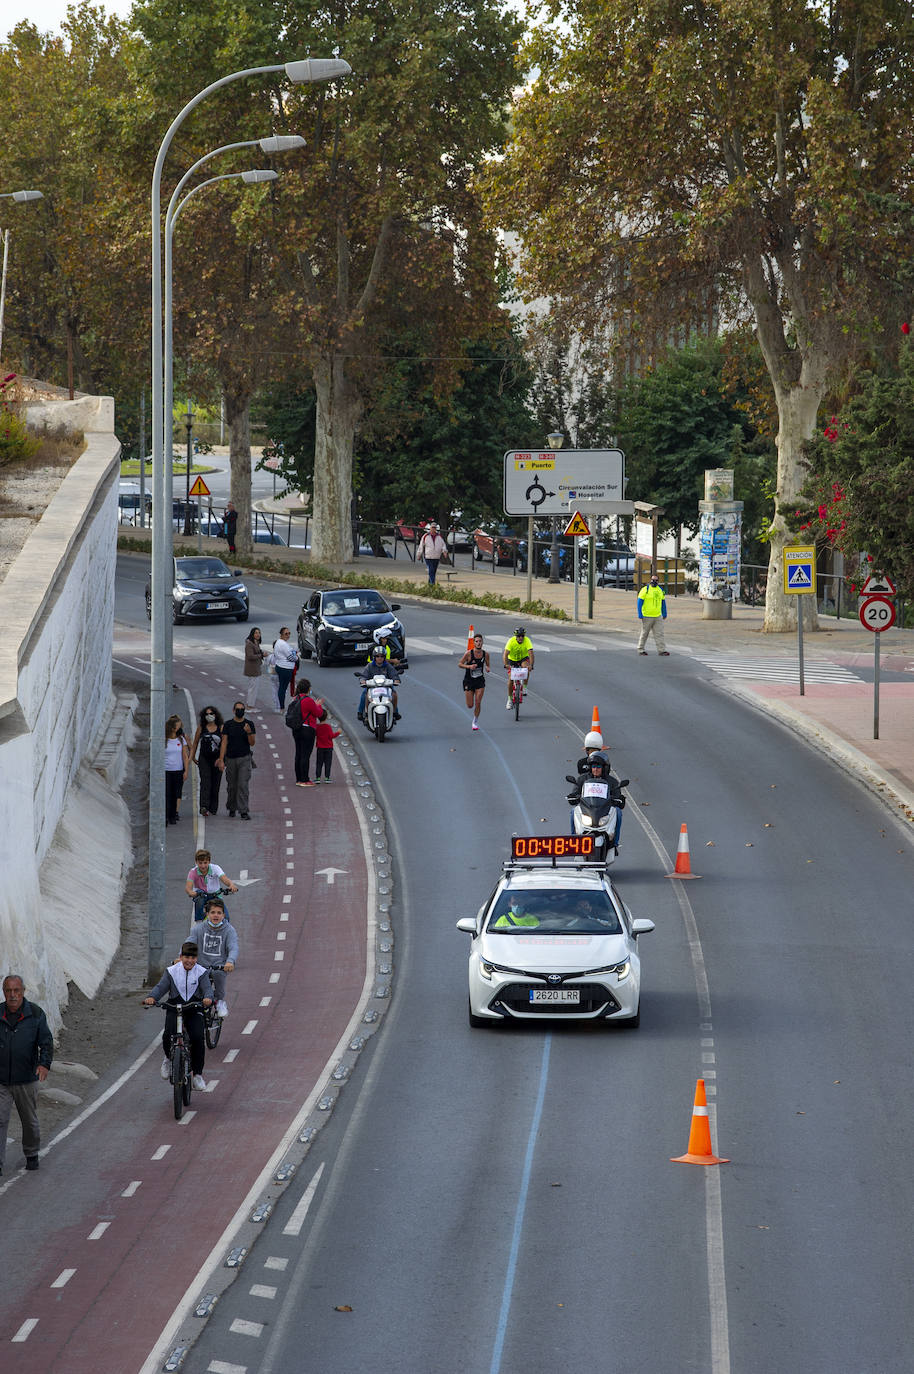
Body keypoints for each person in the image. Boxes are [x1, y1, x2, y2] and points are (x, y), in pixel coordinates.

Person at [0, 973, 53, 1174]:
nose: (12, 995)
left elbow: (46, 1041)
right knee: (0, 1120)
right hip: (2, 1079)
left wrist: (44, 1064)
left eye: (16, 990)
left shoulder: (36, 1014)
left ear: (23, 992)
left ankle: (31, 1154)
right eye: (8, 991)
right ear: (4, 992)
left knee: (29, 1120)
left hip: (26, 1078)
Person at [143, 942, 212, 1092]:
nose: (189, 960)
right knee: (168, 1034)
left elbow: (207, 988)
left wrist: (207, 998)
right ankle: (168, 1059)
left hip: (194, 1008)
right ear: (180, 957)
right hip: (175, 1007)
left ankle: (197, 1075)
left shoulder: (201, 972)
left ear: (196, 958)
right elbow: (161, 987)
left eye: (193, 957)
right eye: (186, 957)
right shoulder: (171, 971)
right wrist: (151, 997)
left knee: (198, 1038)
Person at [187, 898, 238, 1020]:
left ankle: (220, 1001)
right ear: (207, 914)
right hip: (201, 964)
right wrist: (181, 957)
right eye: (213, 912)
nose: (216, 915)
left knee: (218, 974)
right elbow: (189, 943)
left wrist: (230, 961)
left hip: (219, 965)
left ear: (223, 915)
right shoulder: (198, 929)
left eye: (219, 913)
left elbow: (233, 947)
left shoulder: (229, 930)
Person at [567, 751, 625, 847]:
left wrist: (619, 799)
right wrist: (572, 796)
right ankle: (574, 842)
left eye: (598, 767)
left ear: (604, 768)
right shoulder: (582, 779)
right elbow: (575, 792)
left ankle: (614, 842)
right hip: (587, 810)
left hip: (605, 811)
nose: (595, 769)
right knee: (573, 811)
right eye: (593, 767)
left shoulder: (612, 781)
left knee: (618, 812)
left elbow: (619, 797)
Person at [217, 700, 256, 818]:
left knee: (242, 785)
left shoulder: (249, 724)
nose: (240, 711)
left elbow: (252, 743)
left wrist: (249, 732)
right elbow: (224, 742)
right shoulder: (228, 725)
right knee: (232, 785)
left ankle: (243, 810)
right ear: (234, 711)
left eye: (242, 710)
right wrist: (221, 759)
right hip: (230, 759)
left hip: (244, 758)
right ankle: (232, 807)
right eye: (238, 709)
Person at [287, 678, 323, 787]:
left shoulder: (295, 699)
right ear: (308, 689)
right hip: (307, 730)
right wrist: (318, 705)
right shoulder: (308, 700)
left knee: (298, 754)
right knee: (305, 755)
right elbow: (318, 713)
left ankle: (299, 779)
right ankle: (305, 779)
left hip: (296, 729)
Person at [185, 848, 239, 921]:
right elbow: (188, 888)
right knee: (199, 900)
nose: (203, 866)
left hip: (215, 896)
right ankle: (199, 921)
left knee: (225, 919)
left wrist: (231, 885)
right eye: (200, 863)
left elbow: (224, 879)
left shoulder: (215, 868)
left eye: (205, 862)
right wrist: (192, 893)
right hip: (201, 895)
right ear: (196, 862)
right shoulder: (193, 872)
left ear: (209, 862)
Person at [191, 704, 224, 816]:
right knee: (205, 782)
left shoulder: (221, 728)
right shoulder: (201, 728)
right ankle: (204, 806)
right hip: (204, 758)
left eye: (211, 713)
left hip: (217, 760)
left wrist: (221, 759)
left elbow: (225, 744)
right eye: (207, 714)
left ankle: (213, 807)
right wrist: (192, 757)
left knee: (216, 783)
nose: (209, 716)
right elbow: (195, 743)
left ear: (215, 715)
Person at [358, 646, 401, 721]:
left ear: (384, 657)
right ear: (374, 657)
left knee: (394, 694)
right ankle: (362, 712)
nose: (379, 658)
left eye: (382, 656)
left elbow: (394, 675)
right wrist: (363, 680)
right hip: (372, 687)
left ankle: (395, 712)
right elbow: (363, 676)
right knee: (365, 694)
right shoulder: (370, 666)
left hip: (386, 687)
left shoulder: (388, 666)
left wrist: (396, 680)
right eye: (377, 656)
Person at [459, 632, 490, 730]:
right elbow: (459, 664)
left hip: (480, 681)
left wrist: (487, 668)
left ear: (482, 642)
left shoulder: (485, 654)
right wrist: (469, 666)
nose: (479, 643)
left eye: (480, 641)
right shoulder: (468, 653)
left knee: (478, 702)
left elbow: (488, 664)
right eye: (476, 641)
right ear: (474, 643)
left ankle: (475, 722)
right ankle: (474, 718)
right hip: (469, 681)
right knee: (470, 705)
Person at [165, 713, 190, 825]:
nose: (180, 729)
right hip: (166, 770)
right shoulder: (164, 740)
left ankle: (173, 815)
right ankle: (166, 815)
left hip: (178, 770)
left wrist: (186, 771)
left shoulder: (181, 740)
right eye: (178, 727)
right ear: (172, 727)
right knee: (167, 793)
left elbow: (185, 756)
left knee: (176, 793)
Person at [637, 572, 670, 655]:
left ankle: (661, 650)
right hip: (647, 616)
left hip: (658, 616)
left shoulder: (660, 590)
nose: (654, 581)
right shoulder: (645, 589)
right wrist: (640, 613)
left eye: (656, 580)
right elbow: (639, 602)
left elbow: (663, 602)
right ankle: (640, 649)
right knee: (645, 633)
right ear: (650, 580)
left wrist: (664, 613)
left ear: (658, 581)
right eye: (652, 580)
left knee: (659, 634)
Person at [502, 626, 534, 708]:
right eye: (519, 636)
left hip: (523, 658)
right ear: (516, 636)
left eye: (522, 636)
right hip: (512, 660)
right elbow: (505, 654)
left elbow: (531, 653)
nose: (521, 638)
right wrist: (506, 665)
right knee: (510, 679)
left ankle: (525, 687)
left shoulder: (527, 640)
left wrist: (531, 665)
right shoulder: (511, 641)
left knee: (526, 668)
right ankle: (509, 699)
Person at [271, 626, 299, 711]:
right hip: (285, 668)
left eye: (289, 633)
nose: (288, 635)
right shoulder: (283, 644)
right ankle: (281, 707)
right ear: (281, 634)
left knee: (282, 688)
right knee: (283, 688)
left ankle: (281, 707)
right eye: (286, 634)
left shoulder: (278, 643)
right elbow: (291, 657)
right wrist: (297, 657)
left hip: (281, 666)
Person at [314, 708, 342, 781]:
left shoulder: (317, 726)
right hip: (328, 748)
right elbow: (331, 736)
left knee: (319, 763)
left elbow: (315, 734)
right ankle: (327, 778)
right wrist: (338, 732)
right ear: (326, 717)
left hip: (320, 747)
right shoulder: (328, 727)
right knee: (328, 763)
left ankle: (318, 778)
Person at [243, 626, 266, 709]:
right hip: (252, 669)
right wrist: (261, 655)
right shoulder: (249, 644)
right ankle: (249, 707)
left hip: (255, 668)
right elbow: (250, 656)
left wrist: (261, 654)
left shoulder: (256, 642)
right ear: (252, 634)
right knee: (252, 689)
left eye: (259, 633)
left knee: (253, 689)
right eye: (256, 633)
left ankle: (250, 705)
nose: (258, 634)